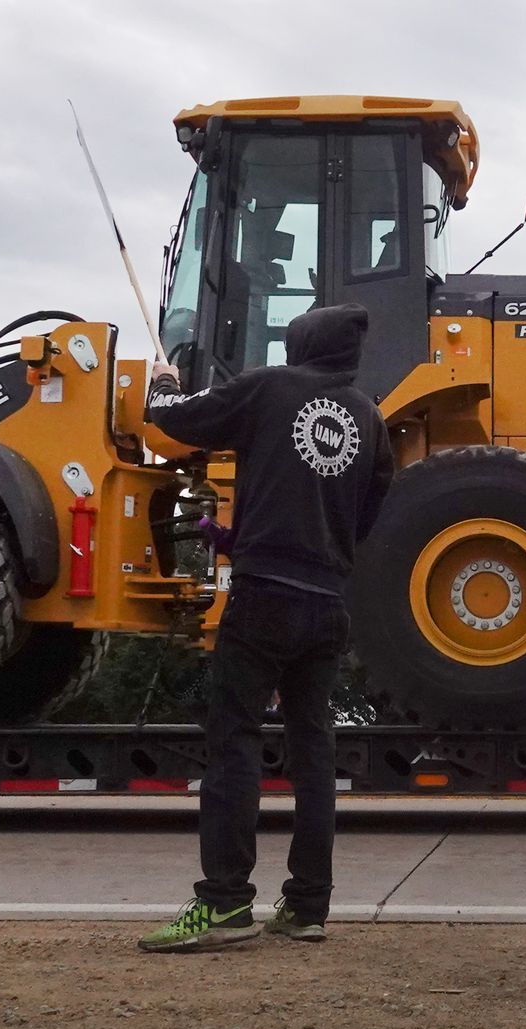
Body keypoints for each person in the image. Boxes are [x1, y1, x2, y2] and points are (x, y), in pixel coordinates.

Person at [137, 303, 394, 952]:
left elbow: (173, 422)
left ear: (302, 343)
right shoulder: (369, 419)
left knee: (235, 739)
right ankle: (307, 906)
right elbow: (368, 516)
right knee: (313, 751)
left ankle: (224, 903)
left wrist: (162, 384)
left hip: (263, 596)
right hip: (328, 601)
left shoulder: (269, 387)